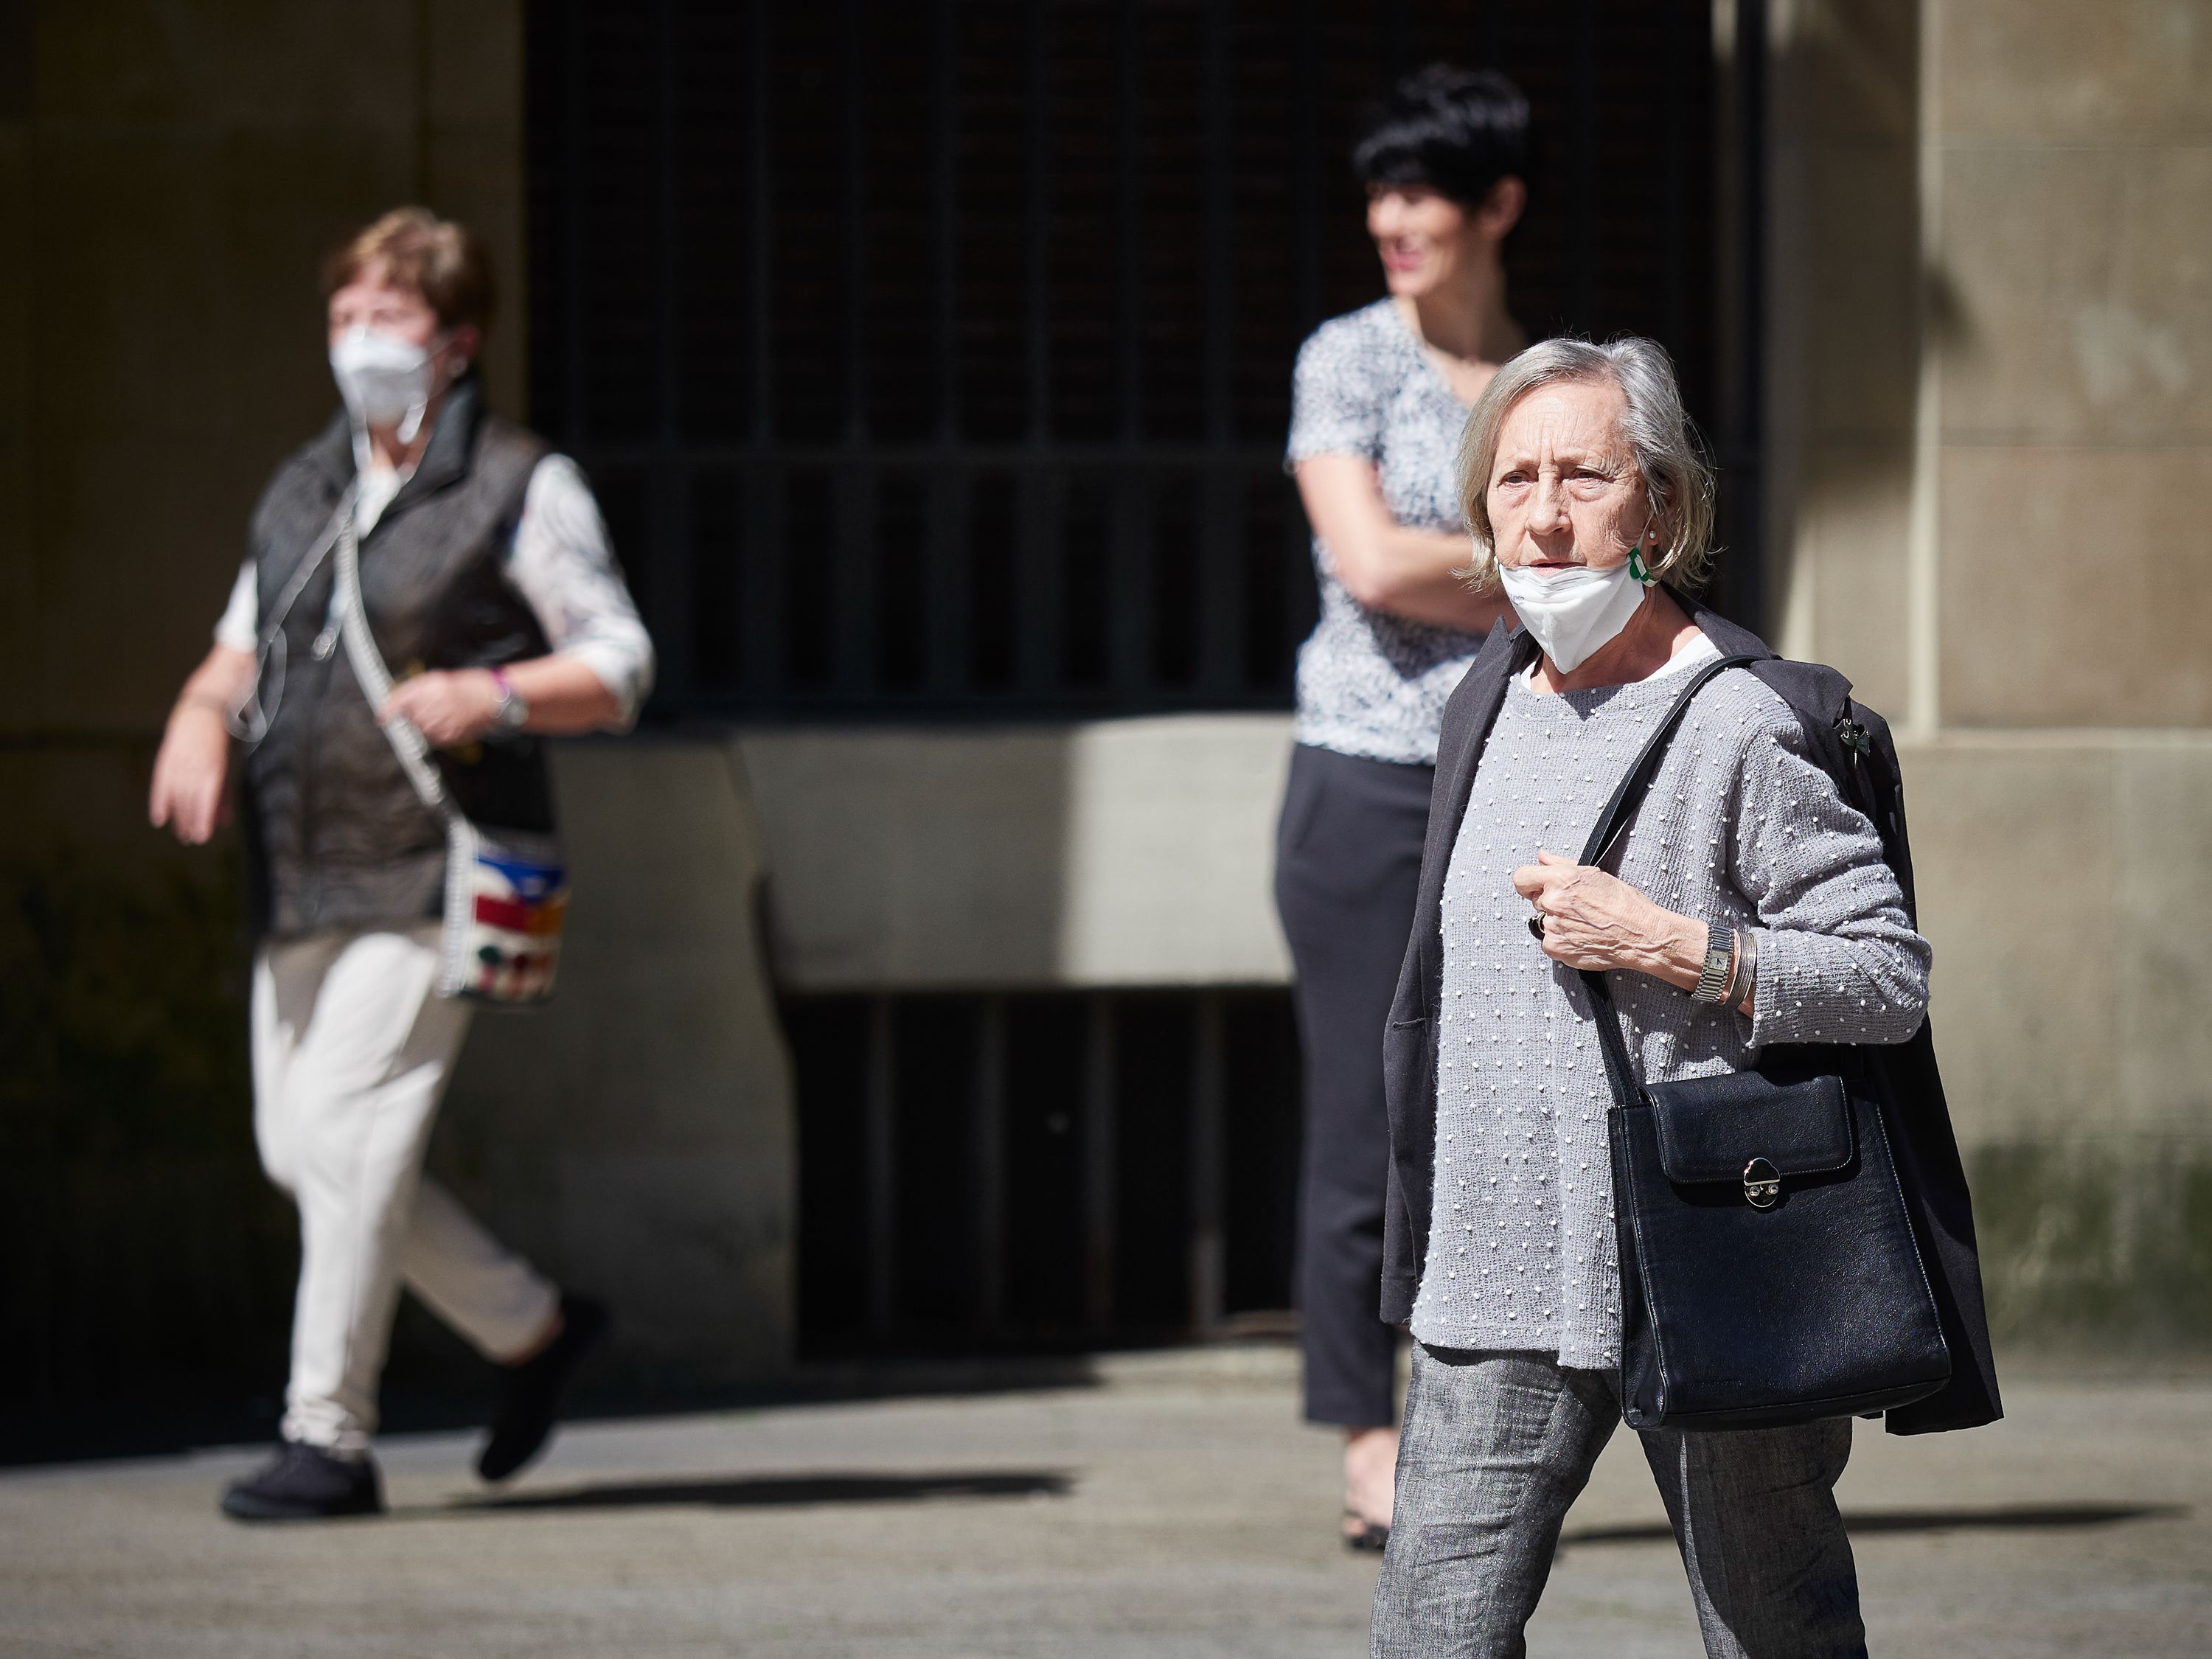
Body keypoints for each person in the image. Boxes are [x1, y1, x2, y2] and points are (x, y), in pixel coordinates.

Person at [1368, 335, 1933, 1655]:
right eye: (1515, 480)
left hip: (1712, 1255)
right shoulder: (1484, 706)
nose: (1546, 515)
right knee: (1430, 1636)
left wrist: (1675, 945)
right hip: (1492, 1269)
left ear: (1661, 506)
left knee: (1776, 1634)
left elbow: (1887, 976)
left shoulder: (1739, 722)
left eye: (1585, 475)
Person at [148, 207, 655, 1522]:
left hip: (436, 858)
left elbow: (619, 663)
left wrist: (494, 692)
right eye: (346, 318)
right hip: (300, 865)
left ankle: (329, 1434)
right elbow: (240, 647)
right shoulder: (302, 488)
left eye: (393, 319)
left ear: (458, 341)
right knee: (303, 1147)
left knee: (349, 1127)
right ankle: (534, 1329)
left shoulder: (520, 482)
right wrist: (197, 716)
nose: (362, 341)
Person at [1276, 64, 1526, 1548]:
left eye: (1422, 192)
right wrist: (1534, 563)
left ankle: (1481, 1418)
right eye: (1381, 193)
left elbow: (1630, 552)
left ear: (1498, 206)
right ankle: (1367, 1438)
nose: (1393, 220)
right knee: (1365, 1118)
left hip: (1517, 773)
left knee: (1497, 1115)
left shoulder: (1554, 378)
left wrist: (1489, 566)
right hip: (1363, 782)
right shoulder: (1347, 358)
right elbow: (1368, 564)